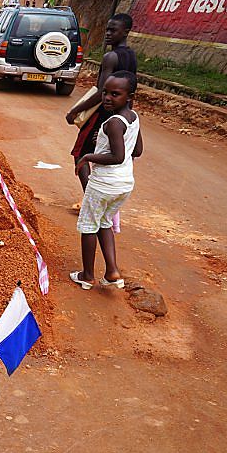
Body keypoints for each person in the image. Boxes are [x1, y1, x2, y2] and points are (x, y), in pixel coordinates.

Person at [70, 71, 143, 291]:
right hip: (123, 185)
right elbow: (136, 150)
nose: (107, 98)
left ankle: (87, 275)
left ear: (129, 96)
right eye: (105, 92)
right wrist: (105, 142)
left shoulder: (113, 123)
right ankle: (112, 271)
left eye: (115, 94)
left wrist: (88, 156)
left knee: (89, 226)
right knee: (104, 223)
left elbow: (117, 156)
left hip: (104, 184)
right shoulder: (133, 117)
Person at [66, 13, 137, 190]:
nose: (108, 34)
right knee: (109, 153)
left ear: (126, 32)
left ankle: (90, 195)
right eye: (107, 30)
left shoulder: (110, 57)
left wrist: (75, 110)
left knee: (81, 153)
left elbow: (100, 92)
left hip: (103, 115)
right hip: (121, 113)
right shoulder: (131, 56)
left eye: (113, 30)